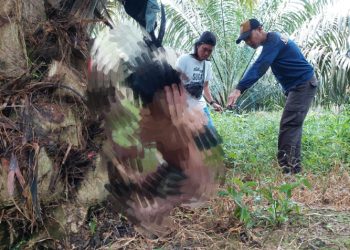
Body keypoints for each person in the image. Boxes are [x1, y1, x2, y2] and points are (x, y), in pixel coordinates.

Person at [227, 19, 318, 174]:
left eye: (249, 37)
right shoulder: (273, 42)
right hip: (299, 86)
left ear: (260, 29)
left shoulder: (274, 41)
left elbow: (260, 66)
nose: (248, 42)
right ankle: (293, 168)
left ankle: (287, 170)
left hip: (302, 84)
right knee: (293, 126)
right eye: (245, 40)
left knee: (289, 125)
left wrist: (239, 89)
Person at [176, 31, 223, 127]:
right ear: (198, 46)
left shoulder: (207, 64)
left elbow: (205, 86)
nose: (206, 53)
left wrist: (212, 103)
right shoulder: (184, 60)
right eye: (204, 49)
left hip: (200, 105)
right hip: (184, 106)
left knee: (211, 136)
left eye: (210, 51)